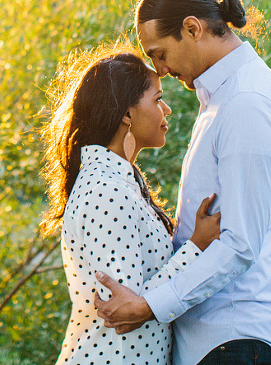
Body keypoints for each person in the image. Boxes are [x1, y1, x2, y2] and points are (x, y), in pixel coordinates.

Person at [92, 0, 271, 365]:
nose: (160, 70)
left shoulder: (246, 103)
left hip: (236, 343)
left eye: (160, 53)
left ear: (192, 28)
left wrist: (147, 306)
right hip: (216, 347)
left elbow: (239, 246)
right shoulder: (220, 100)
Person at [42, 45, 222, 365]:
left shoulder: (120, 183)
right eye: (157, 99)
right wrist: (196, 247)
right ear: (127, 113)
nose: (166, 109)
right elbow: (125, 309)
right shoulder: (105, 190)